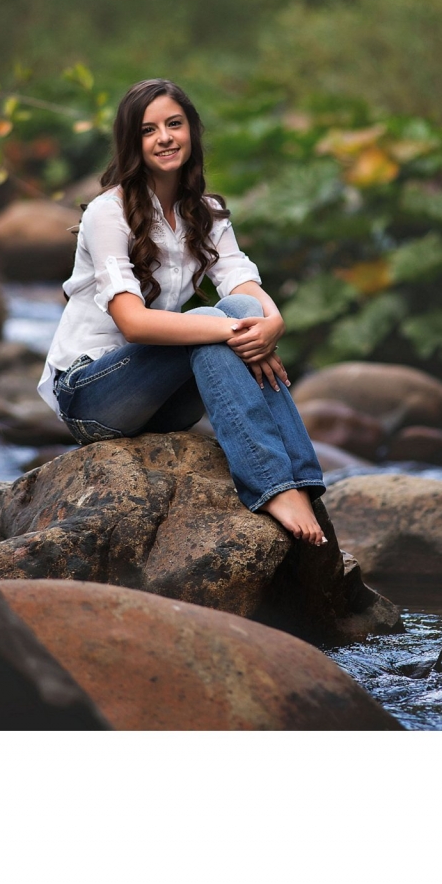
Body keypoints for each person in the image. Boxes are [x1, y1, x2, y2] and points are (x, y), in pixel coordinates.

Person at [37, 78, 328, 546]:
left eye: (174, 124)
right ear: (133, 143)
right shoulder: (106, 213)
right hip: (91, 395)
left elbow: (242, 285)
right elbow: (132, 322)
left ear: (191, 130)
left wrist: (271, 323)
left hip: (161, 400)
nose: (165, 138)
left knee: (234, 309)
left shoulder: (206, 212)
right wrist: (231, 329)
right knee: (215, 322)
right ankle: (273, 483)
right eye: (149, 130)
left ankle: (298, 483)